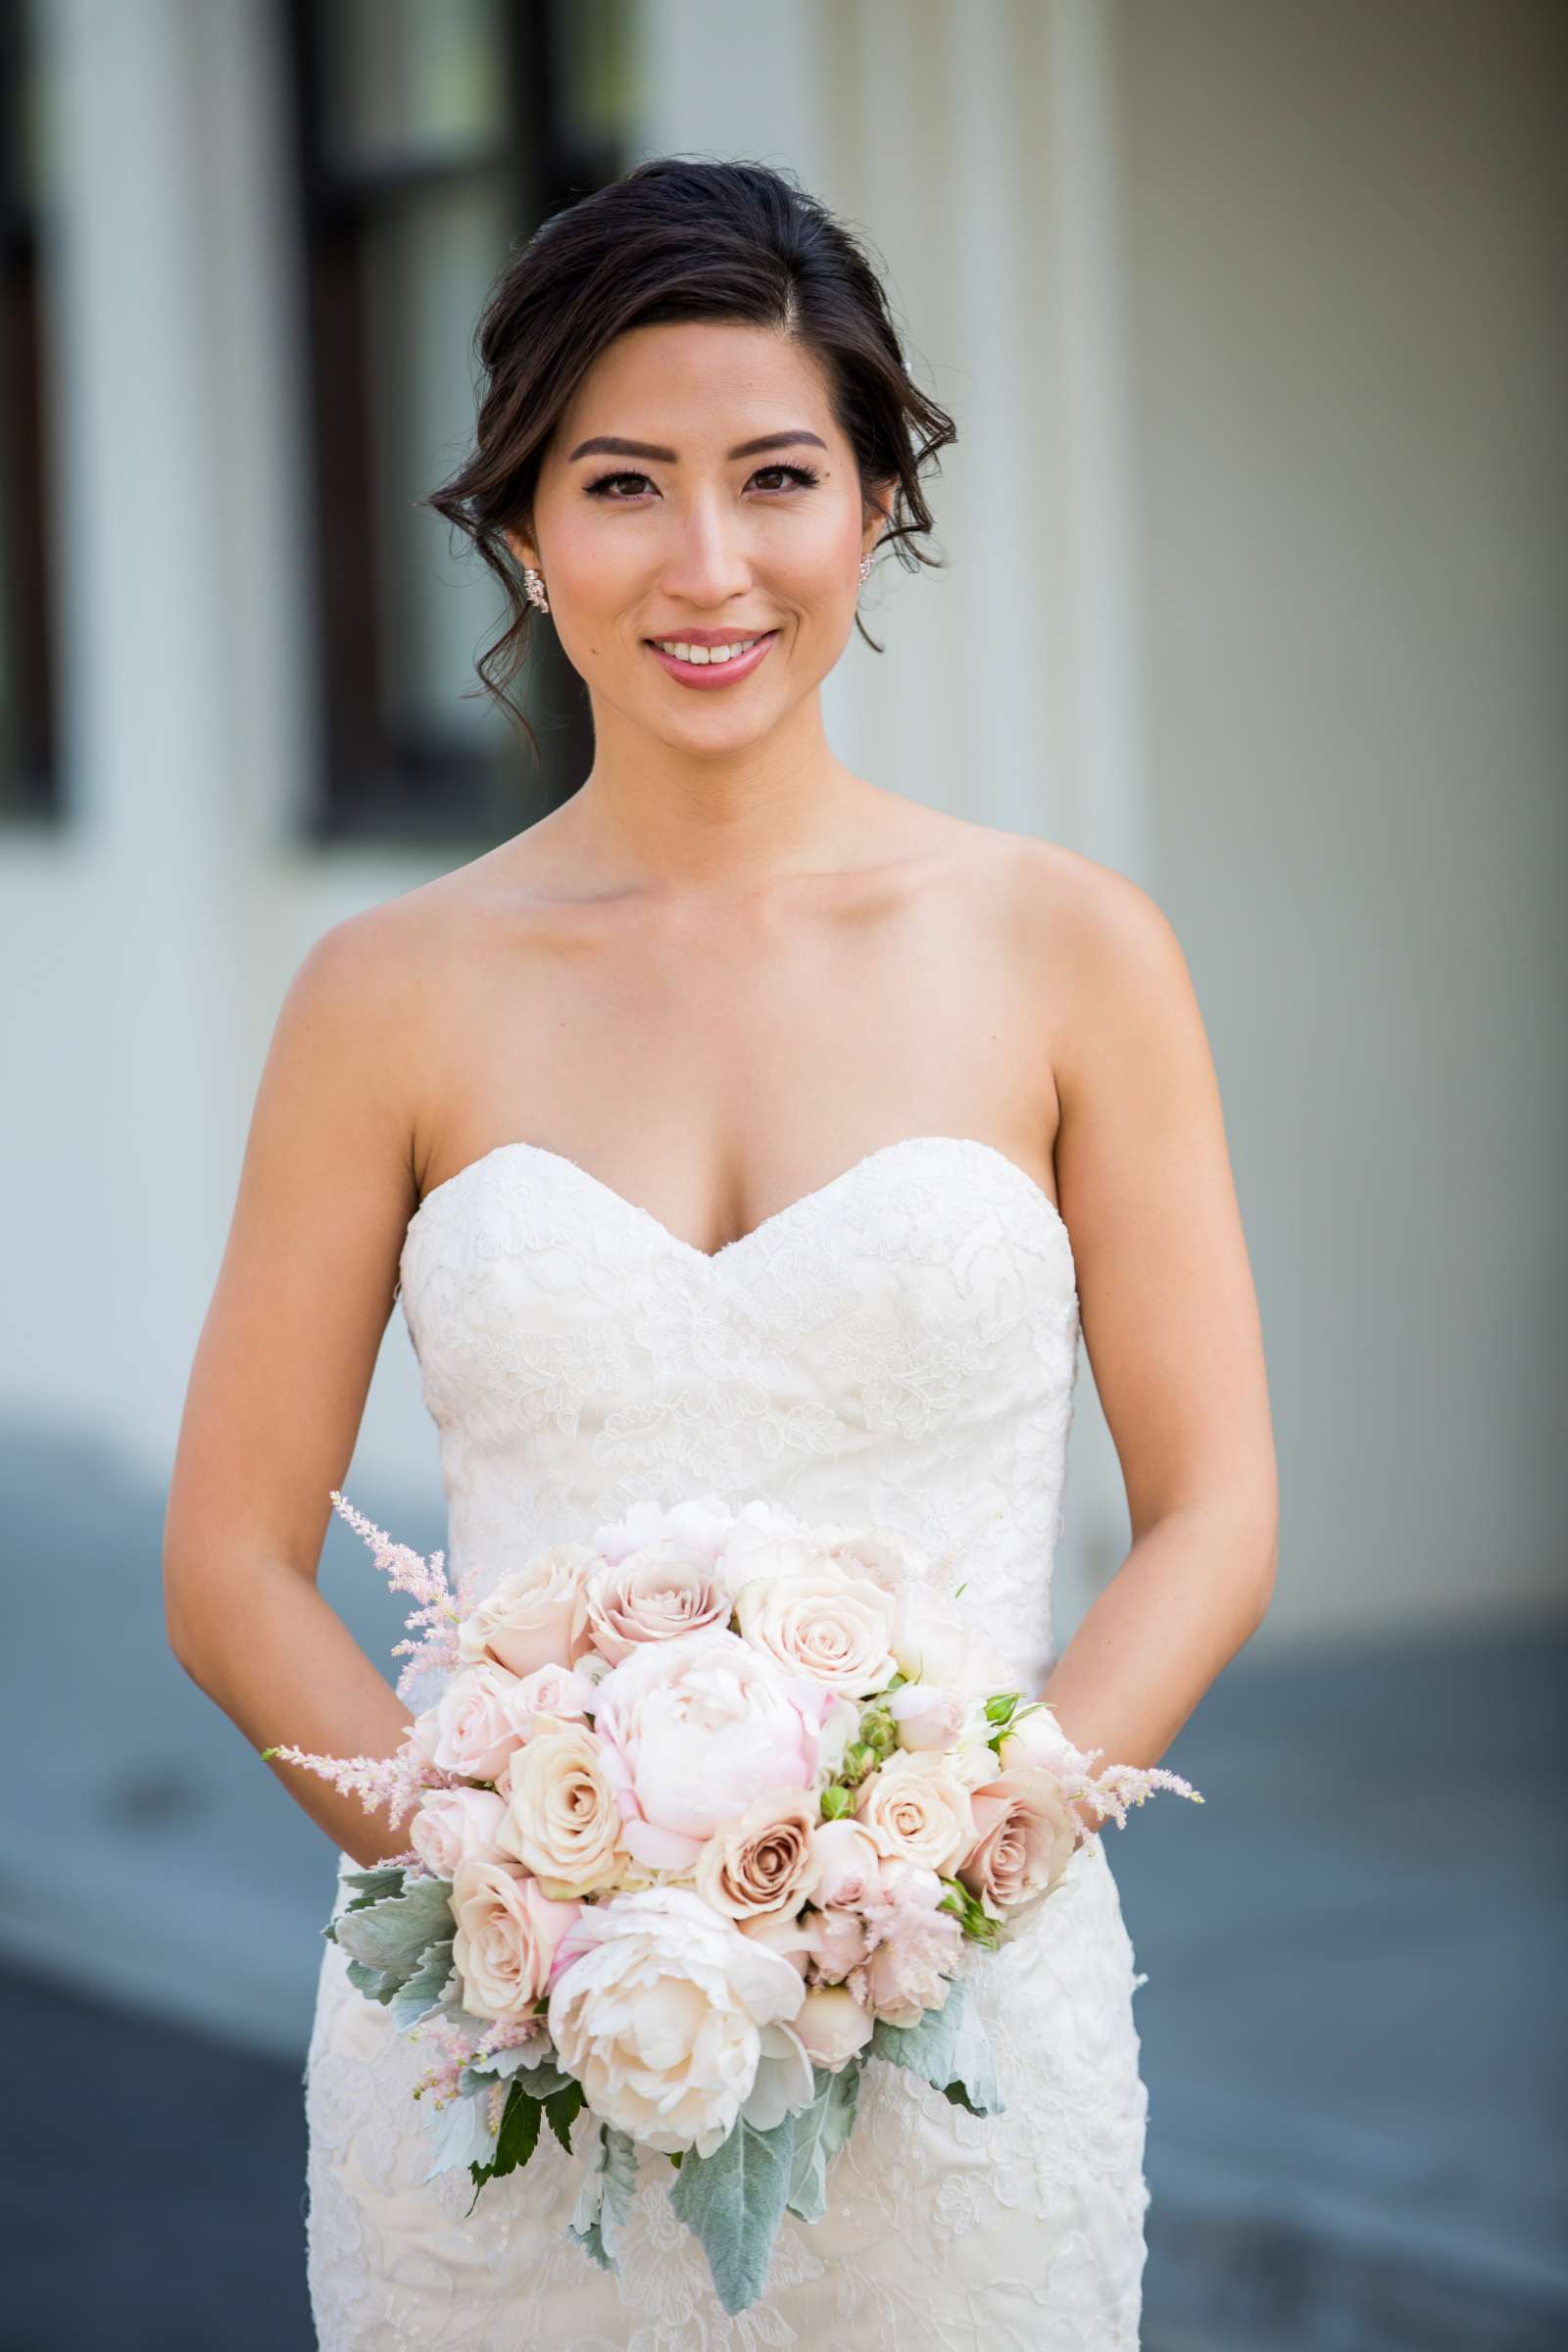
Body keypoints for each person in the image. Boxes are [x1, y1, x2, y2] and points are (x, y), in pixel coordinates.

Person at [164, 154, 1277, 2350]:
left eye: (774, 476)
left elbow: (1214, 1513)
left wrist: (927, 1899)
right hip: (499, 2072)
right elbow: (227, 1563)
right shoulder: (383, 992)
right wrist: (512, 1907)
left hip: (960, 2039)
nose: (704, 565)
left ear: (873, 504)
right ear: (519, 525)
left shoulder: (1071, 955)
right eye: (618, 484)